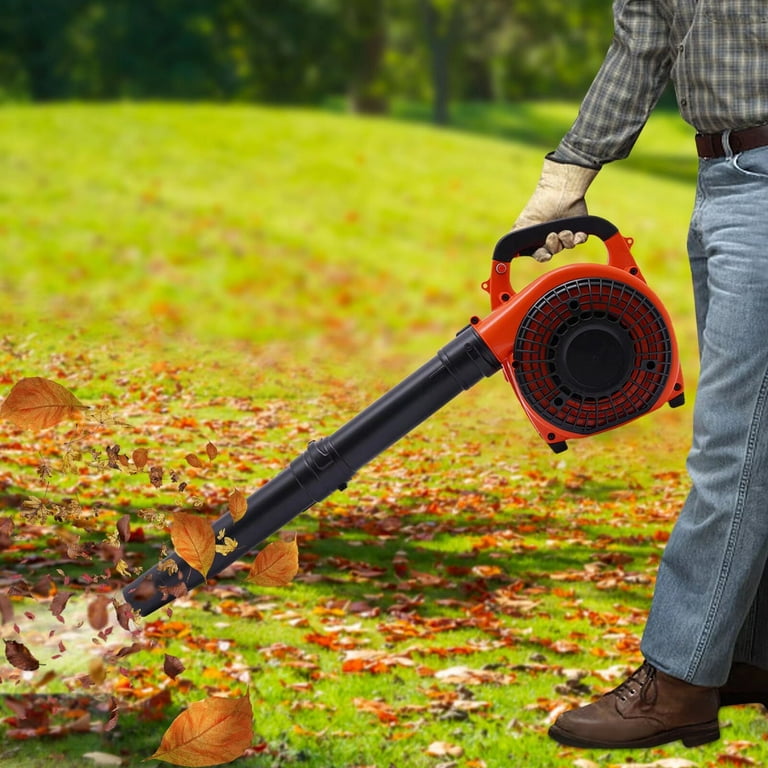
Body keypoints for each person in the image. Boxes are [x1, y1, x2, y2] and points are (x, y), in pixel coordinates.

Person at [513, 0, 768, 750]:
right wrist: (568, 169)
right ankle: (748, 655)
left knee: (734, 444)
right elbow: (644, 40)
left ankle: (682, 681)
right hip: (722, 180)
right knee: (760, 433)